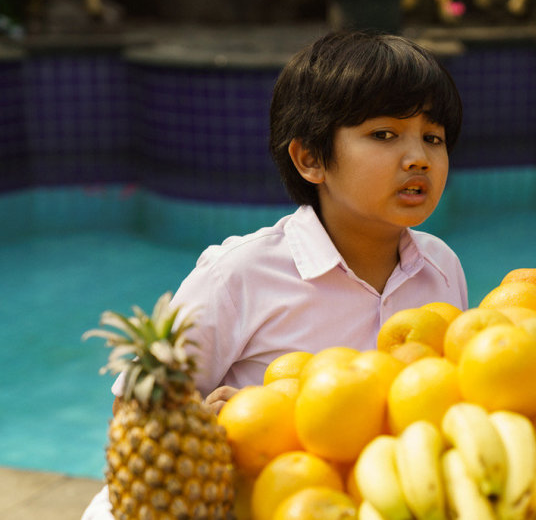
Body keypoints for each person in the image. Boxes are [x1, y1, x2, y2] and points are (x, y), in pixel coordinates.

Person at [82, 30, 468, 518]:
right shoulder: (242, 275)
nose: (418, 157)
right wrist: (204, 425)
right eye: (384, 135)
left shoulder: (441, 269)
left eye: (433, 138)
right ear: (310, 159)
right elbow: (134, 412)